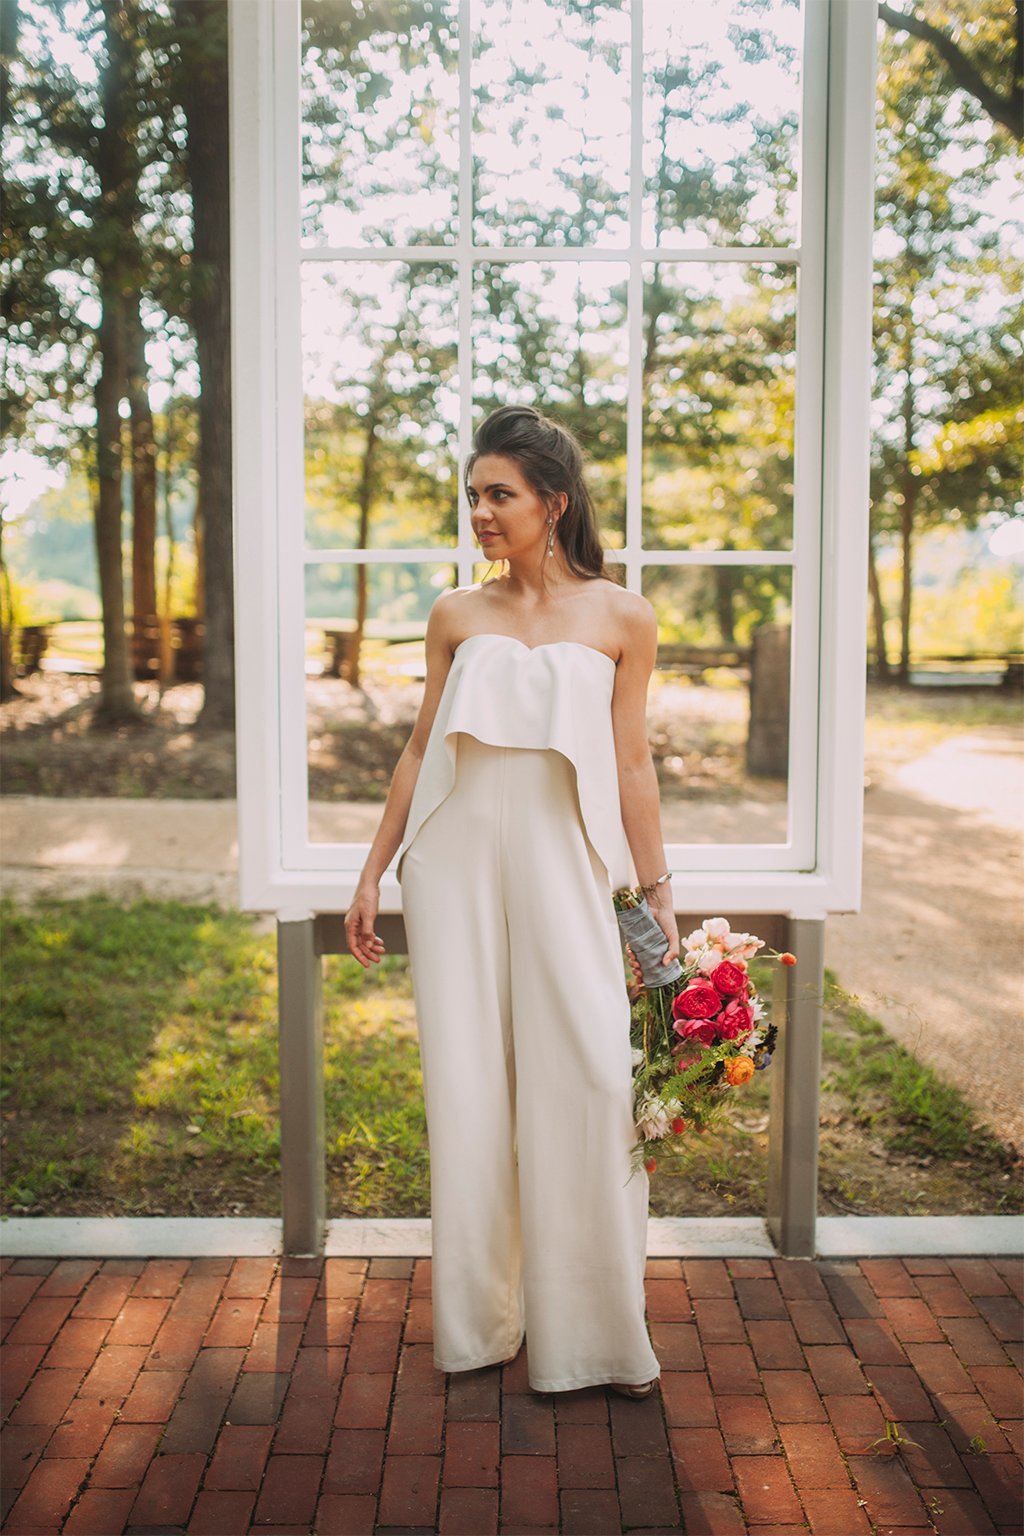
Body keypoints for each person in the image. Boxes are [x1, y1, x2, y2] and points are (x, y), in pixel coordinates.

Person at [345, 404, 679, 1396]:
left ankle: (593, 1336)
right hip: (452, 871)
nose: (481, 512)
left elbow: (630, 766)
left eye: (499, 495)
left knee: (588, 1081)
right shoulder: (456, 614)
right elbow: (417, 752)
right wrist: (372, 871)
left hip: (570, 870)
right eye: (474, 496)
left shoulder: (623, 615)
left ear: (553, 502)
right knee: (467, 1089)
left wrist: (655, 893)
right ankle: (480, 1326)